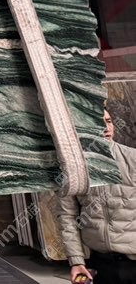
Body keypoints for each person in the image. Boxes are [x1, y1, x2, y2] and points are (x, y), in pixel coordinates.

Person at [58, 109, 136, 283]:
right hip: (100, 263)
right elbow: (68, 216)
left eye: (108, 121)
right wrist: (76, 261)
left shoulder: (133, 159)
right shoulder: (73, 170)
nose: (106, 128)